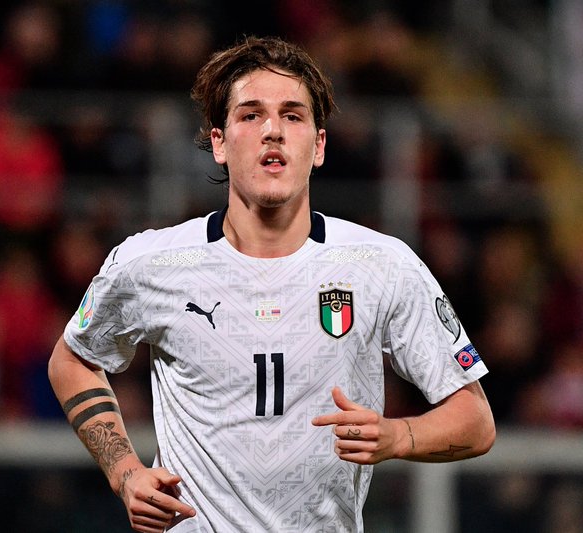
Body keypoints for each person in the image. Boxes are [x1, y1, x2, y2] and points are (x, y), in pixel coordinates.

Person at [48, 36, 495, 532]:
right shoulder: (153, 263)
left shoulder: (381, 264)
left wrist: (398, 437)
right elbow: (73, 359)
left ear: (318, 145)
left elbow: (475, 421)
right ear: (219, 143)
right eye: (251, 114)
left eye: (292, 115)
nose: (273, 131)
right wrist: (125, 471)